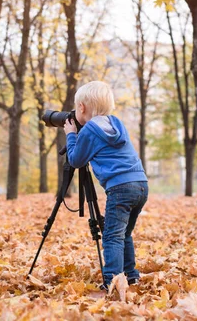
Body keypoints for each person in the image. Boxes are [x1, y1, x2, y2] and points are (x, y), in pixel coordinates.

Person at [63, 81, 148, 290]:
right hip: (141, 184)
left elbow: (75, 160)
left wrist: (71, 135)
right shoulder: (116, 123)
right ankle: (131, 276)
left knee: (112, 236)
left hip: (120, 188)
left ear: (81, 107)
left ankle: (112, 281)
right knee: (124, 234)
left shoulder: (90, 129)